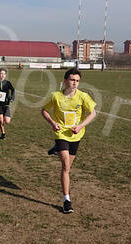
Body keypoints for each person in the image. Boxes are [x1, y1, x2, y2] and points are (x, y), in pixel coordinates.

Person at [41, 68, 97, 214]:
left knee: (68, 168)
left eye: (77, 81)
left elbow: (93, 113)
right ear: (65, 80)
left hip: (76, 135)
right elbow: (44, 111)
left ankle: (56, 149)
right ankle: (67, 200)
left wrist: (80, 126)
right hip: (61, 134)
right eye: (72, 80)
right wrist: (53, 123)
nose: (75, 83)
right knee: (65, 165)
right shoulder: (56, 96)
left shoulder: (83, 97)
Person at [0, 68, 15, 140]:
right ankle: (3, 133)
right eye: (1, 73)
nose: (2, 75)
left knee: (7, 121)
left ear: (6, 75)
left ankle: (4, 118)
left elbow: (13, 90)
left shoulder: (8, 83)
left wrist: (12, 98)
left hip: (6, 104)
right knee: (1, 120)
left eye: (4, 74)